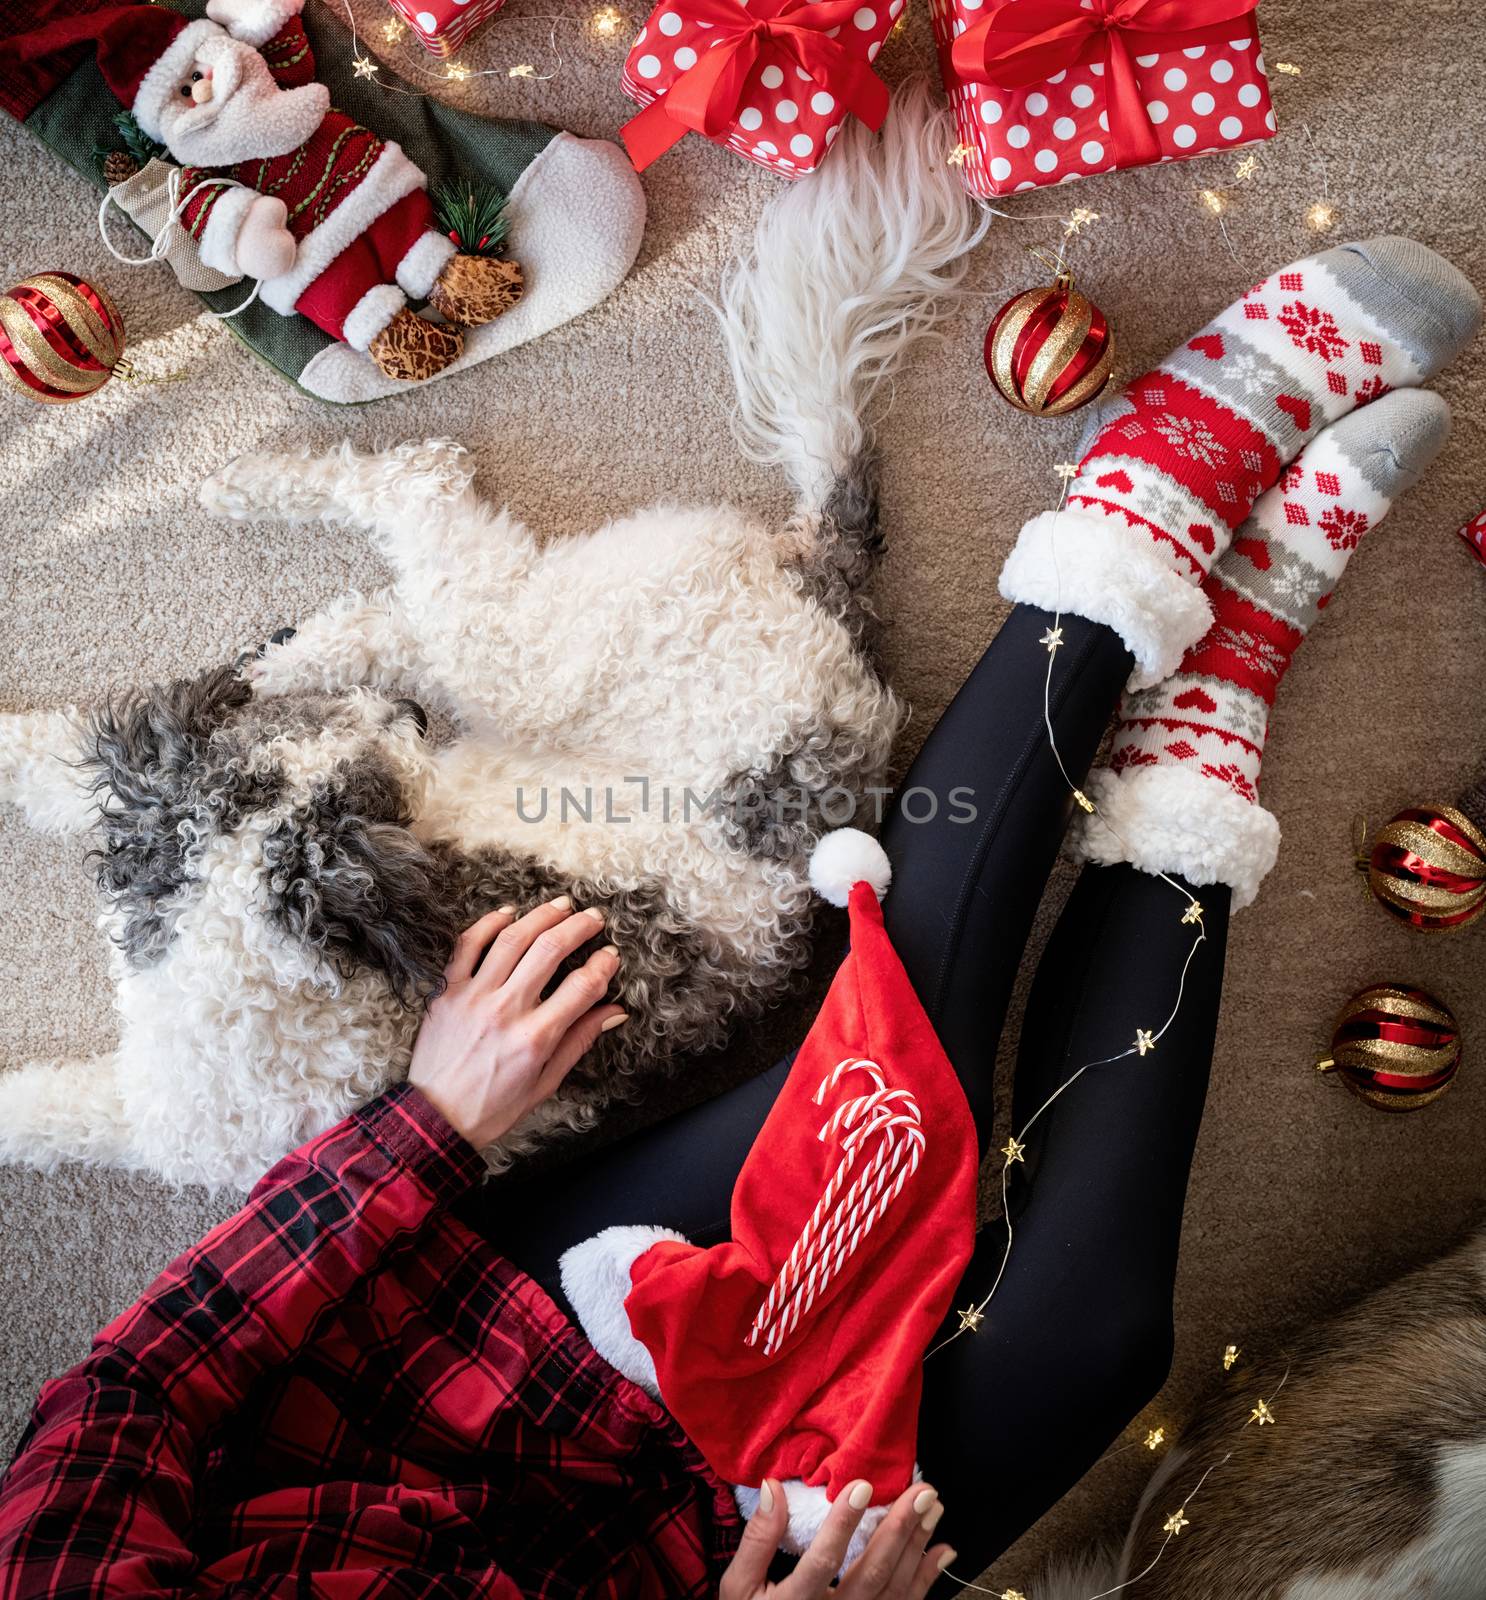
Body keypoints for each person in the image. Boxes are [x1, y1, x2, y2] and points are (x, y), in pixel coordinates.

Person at [0, 238, 1474, 1597]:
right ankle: (1221, 681)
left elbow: (131, 1401)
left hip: (498, 1373)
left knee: (904, 1062)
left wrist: (428, 1126)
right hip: (729, 1559)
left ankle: (1131, 523)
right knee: (1093, 1344)